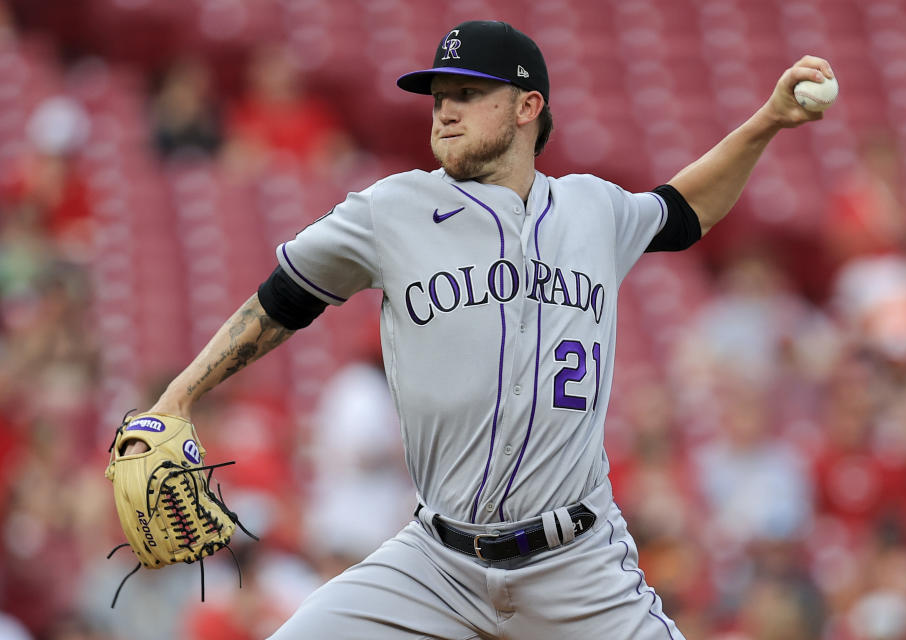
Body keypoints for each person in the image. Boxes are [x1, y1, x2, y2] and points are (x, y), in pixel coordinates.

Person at [118, 20, 833, 639]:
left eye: (466, 94)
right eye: (438, 99)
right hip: (436, 562)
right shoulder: (389, 210)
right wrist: (178, 396)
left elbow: (684, 211)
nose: (445, 112)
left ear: (528, 107)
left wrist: (765, 122)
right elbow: (282, 298)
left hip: (576, 562)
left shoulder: (593, 210)